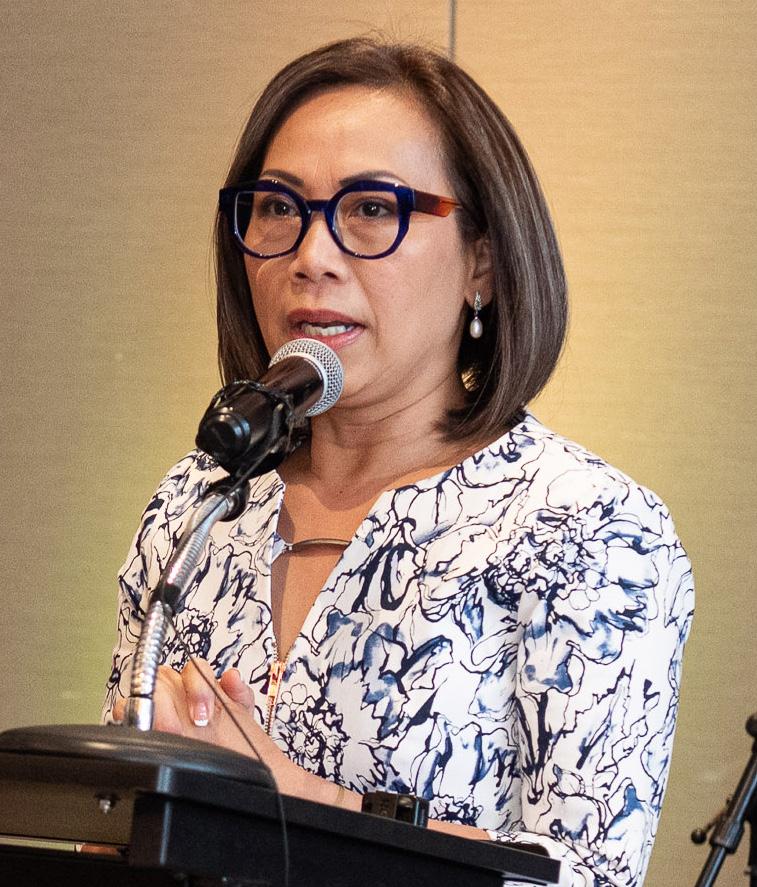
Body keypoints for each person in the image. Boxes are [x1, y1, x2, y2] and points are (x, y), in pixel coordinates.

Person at [105, 37, 694, 887]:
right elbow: (118, 818)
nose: (310, 255)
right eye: (276, 207)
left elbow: (584, 878)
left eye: (372, 208)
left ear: (482, 262)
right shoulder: (197, 503)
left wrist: (292, 798)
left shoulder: (587, 526)